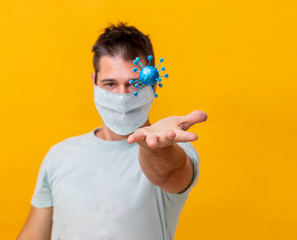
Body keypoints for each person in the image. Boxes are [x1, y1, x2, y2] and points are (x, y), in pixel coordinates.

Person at [17, 22, 208, 240]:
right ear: (94, 82)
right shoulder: (59, 156)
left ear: (153, 84)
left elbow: (170, 174)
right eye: (110, 84)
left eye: (134, 83)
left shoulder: (173, 148)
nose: (122, 95)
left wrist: (155, 148)